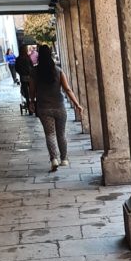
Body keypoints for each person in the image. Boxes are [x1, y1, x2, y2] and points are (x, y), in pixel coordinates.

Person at [29, 44, 82, 172]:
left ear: (40, 56)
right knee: (61, 134)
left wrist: (31, 101)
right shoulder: (58, 71)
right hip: (59, 107)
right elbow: (67, 89)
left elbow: (32, 90)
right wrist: (77, 104)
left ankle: (54, 159)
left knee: (49, 134)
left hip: (44, 108)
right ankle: (64, 159)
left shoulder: (35, 72)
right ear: (51, 55)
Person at [15, 45, 33, 110]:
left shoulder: (18, 59)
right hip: (30, 76)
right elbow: (32, 66)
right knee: (31, 90)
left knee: (25, 91)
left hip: (23, 77)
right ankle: (33, 103)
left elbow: (16, 68)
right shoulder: (28, 58)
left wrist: (20, 73)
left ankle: (28, 104)